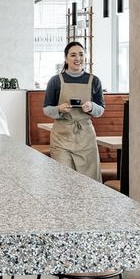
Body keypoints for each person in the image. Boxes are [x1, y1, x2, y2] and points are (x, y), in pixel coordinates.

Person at [43, 41, 105, 182]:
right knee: (63, 181)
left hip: (86, 137)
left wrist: (92, 107)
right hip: (61, 137)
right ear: (66, 58)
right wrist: (59, 109)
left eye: (81, 54)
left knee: (89, 182)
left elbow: (101, 109)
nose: (78, 58)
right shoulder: (55, 81)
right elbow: (46, 109)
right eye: (73, 55)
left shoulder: (94, 81)